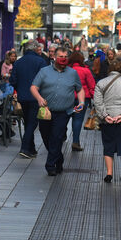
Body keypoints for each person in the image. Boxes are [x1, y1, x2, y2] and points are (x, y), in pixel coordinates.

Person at [30, 46, 85, 176]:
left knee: (57, 137)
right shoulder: (44, 71)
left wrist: (81, 102)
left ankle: (50, 165)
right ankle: (58, 159)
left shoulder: (72, 73)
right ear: (54, 57)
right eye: (60, 56)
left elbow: (80, 89)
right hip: (46, 112)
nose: (63, 59)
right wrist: (39, 98)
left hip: (64, 112)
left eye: (65, 57)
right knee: (46, 137)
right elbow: (33, 87)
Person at [94, 59, 121, 184]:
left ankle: (109, 173)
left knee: (108, 146)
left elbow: (98, 101)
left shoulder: (101, 83)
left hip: (107, 121)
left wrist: (104, 115)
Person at [10, 41, 49, 158]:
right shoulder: (41, 61)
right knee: (32, 123)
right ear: (35, 49)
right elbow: (45, 80)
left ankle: (31, 149)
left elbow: (13, 80)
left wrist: (20, 89)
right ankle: (25, 148)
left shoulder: (18, 62)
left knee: (28, 121)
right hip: (36, 97)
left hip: (22, 97)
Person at [68, 51, 96, 152]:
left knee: (65, 118)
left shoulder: (67, 70)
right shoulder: (86, 71)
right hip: (82, 99)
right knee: (78, 119)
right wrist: (95, 99)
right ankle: (75, 142)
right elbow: (91, 86)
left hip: (68, 98)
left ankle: (61, 137)